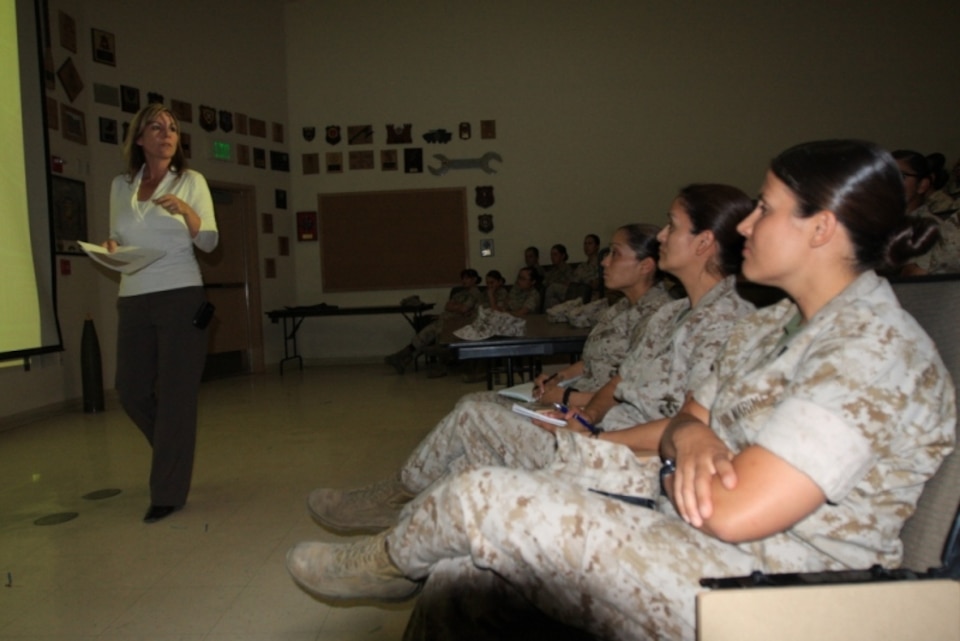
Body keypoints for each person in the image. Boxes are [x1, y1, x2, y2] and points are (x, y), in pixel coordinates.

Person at [286, 140, 955, 641]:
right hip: (685, 514)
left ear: (821, 227)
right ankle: (408, 538)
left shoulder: (871, 348)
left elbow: (737, 509)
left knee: (483, 497)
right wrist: (693, 438)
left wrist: (691, 442)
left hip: (776, 588)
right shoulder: (775, 326)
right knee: (463, 575)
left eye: (767, 209)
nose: (747, 224)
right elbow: (688, 417)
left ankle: (388, 559)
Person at [305, 184, 755, 532]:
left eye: (672, 226)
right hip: (600, 430)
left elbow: (689, 423)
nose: (662, 236)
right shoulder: (674, 313)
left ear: (703, 244)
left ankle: (396, 513)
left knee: (473, 414)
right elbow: (622, 380)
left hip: (628, 458)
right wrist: (583, 411)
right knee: (471, 454)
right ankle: (402, 526)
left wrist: (589, 429)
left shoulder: (728, 320)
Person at [103, 103, 219, 524]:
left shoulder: (191, 181)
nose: (166, 133)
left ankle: (168, 491)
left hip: (181, 296)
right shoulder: (121, 185)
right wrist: (112, 247)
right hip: (133, 295)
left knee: (175, 398)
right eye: (156, 126)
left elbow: (208, 241)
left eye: (172, 127)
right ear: (138, 138)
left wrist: (186, 212)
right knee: (129, 389)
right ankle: (174, 452)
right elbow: (117, 236)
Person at [385, 268, 483, 374]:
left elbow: (464, 309)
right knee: (424, 335)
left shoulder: (475, 293)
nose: (464, 281)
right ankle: (403, 360)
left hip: (457, 323)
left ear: (474, 280)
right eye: (463, 278)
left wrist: (456, 307)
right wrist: (457, 307)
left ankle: (402, 357)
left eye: (467, 278)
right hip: (445, 320)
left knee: (428, 335)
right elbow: (448, 306)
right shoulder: (460, 293)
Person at [542, 243, 573, 309]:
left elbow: (570, 285)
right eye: (551, 255)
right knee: (553, 301)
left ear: (562, 256)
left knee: (553, 288)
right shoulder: (551, 272)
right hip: (555, 298)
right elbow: (544, 284)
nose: (552, 257)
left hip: (565, 295)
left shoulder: (567, 269)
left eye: (555, 254)